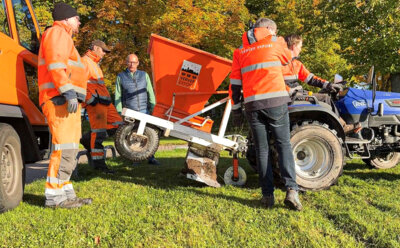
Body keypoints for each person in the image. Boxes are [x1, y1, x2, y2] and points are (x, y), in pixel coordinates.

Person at [229, 18, 302, 210]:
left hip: (253, 105)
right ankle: (291, 190)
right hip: (276, 102)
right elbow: (288, 59)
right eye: (275, 30)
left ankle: (267, 196)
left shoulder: (240, 51)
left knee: (262, 150)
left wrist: (235, 109)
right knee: (283, 145)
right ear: (269, 29)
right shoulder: (276, 42)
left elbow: (235, 83)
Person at [38, 2, 92, 208]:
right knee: (63, 149)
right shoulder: (57, 33)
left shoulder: (63, 36)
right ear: (66, 18)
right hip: (59, 99)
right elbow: (56, 65)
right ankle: (55, 198)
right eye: (76, 17)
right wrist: (68, 92)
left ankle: (66, 194)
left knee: (69, 148)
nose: (79, 21)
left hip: (65, 100)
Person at [284, 34, 360, 133]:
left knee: (324, 96)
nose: (300, 50)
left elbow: (311, 79)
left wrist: (328, 85)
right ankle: (343, 126)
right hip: (291, 97)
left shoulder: (296, 64)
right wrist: (294, 92)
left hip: (295, 94)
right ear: (294, 46)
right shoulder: (280, 64)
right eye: (300, 47)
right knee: (325, 98)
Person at [80, 40, 124, 174]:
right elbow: (78, 83)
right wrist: (89, 99)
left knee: (119, 125)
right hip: (95, 103)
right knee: (98, 134)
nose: (105, 53)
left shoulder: (95, 64)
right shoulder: (84, 61)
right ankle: (100, 167)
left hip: (104, 101)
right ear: (95, 48)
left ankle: (87, 138)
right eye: (103, 50)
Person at [114, 54, 160, 165]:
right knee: (132, 135)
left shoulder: (144, 75)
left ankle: (151, 157)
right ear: (126, 62)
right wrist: (120, 112)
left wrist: (154, 108)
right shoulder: (121, 77)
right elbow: (117, 96)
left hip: (144, 110)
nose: (132, 65)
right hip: (130, 111)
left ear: (138, 63)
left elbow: (150, 92)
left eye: (134, 62)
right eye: (129, 62)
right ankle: (135, 159)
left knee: (150, 134)